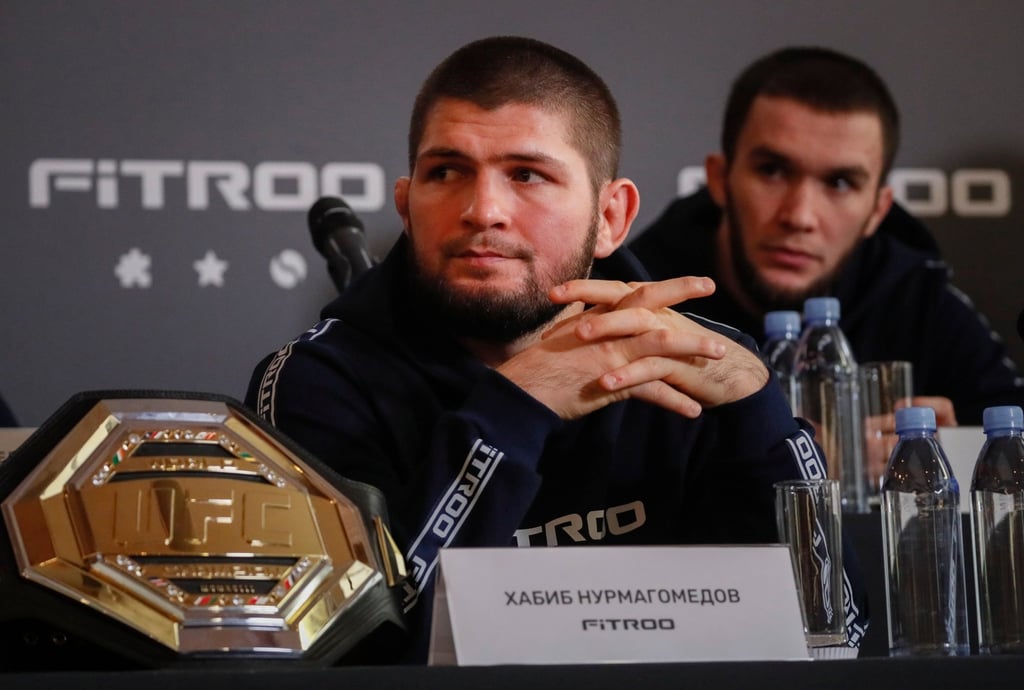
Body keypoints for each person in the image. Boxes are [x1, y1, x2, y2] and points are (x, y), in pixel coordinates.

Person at [246, 36, 867, 661]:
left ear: (611, 218)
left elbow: (839, 639)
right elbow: (355, 655)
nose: (483, 209)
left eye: (527, 174)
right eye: (447, 172)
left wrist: (762, 419)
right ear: (407, 208)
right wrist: (515, 408)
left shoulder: (701, 368)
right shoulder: (314, 383)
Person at [630, 46, 1024, 430]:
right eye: (772, 171)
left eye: (839, 183)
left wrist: (956, 446)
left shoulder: (920, 300)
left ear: (877, 211)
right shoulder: (639, 296)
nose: (800, 216)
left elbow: (1010, 446)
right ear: (719, 179)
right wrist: (826, 459)